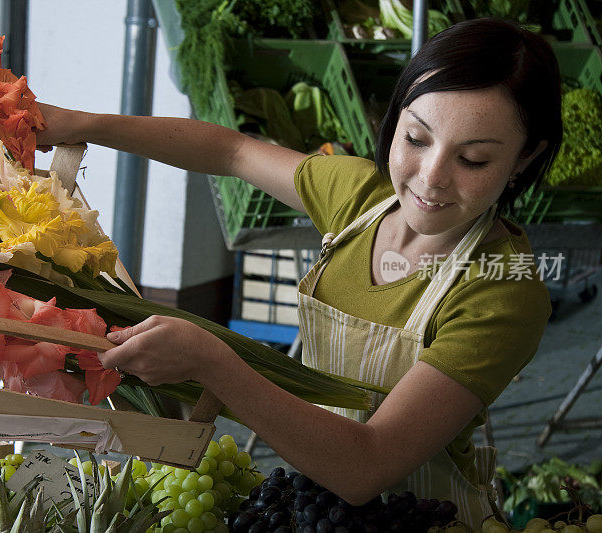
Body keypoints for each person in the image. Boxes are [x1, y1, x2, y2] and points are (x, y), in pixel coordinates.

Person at [36, 18, 562, 529]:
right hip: (319, 503)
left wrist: (211, 361)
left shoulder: (502, 293)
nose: (431, 178)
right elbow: (230, 149)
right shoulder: (360, 197)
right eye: (417, 139)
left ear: (524, 159)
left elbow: (367, 467)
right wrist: (82, 124)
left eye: (472, 160)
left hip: (424, 514)